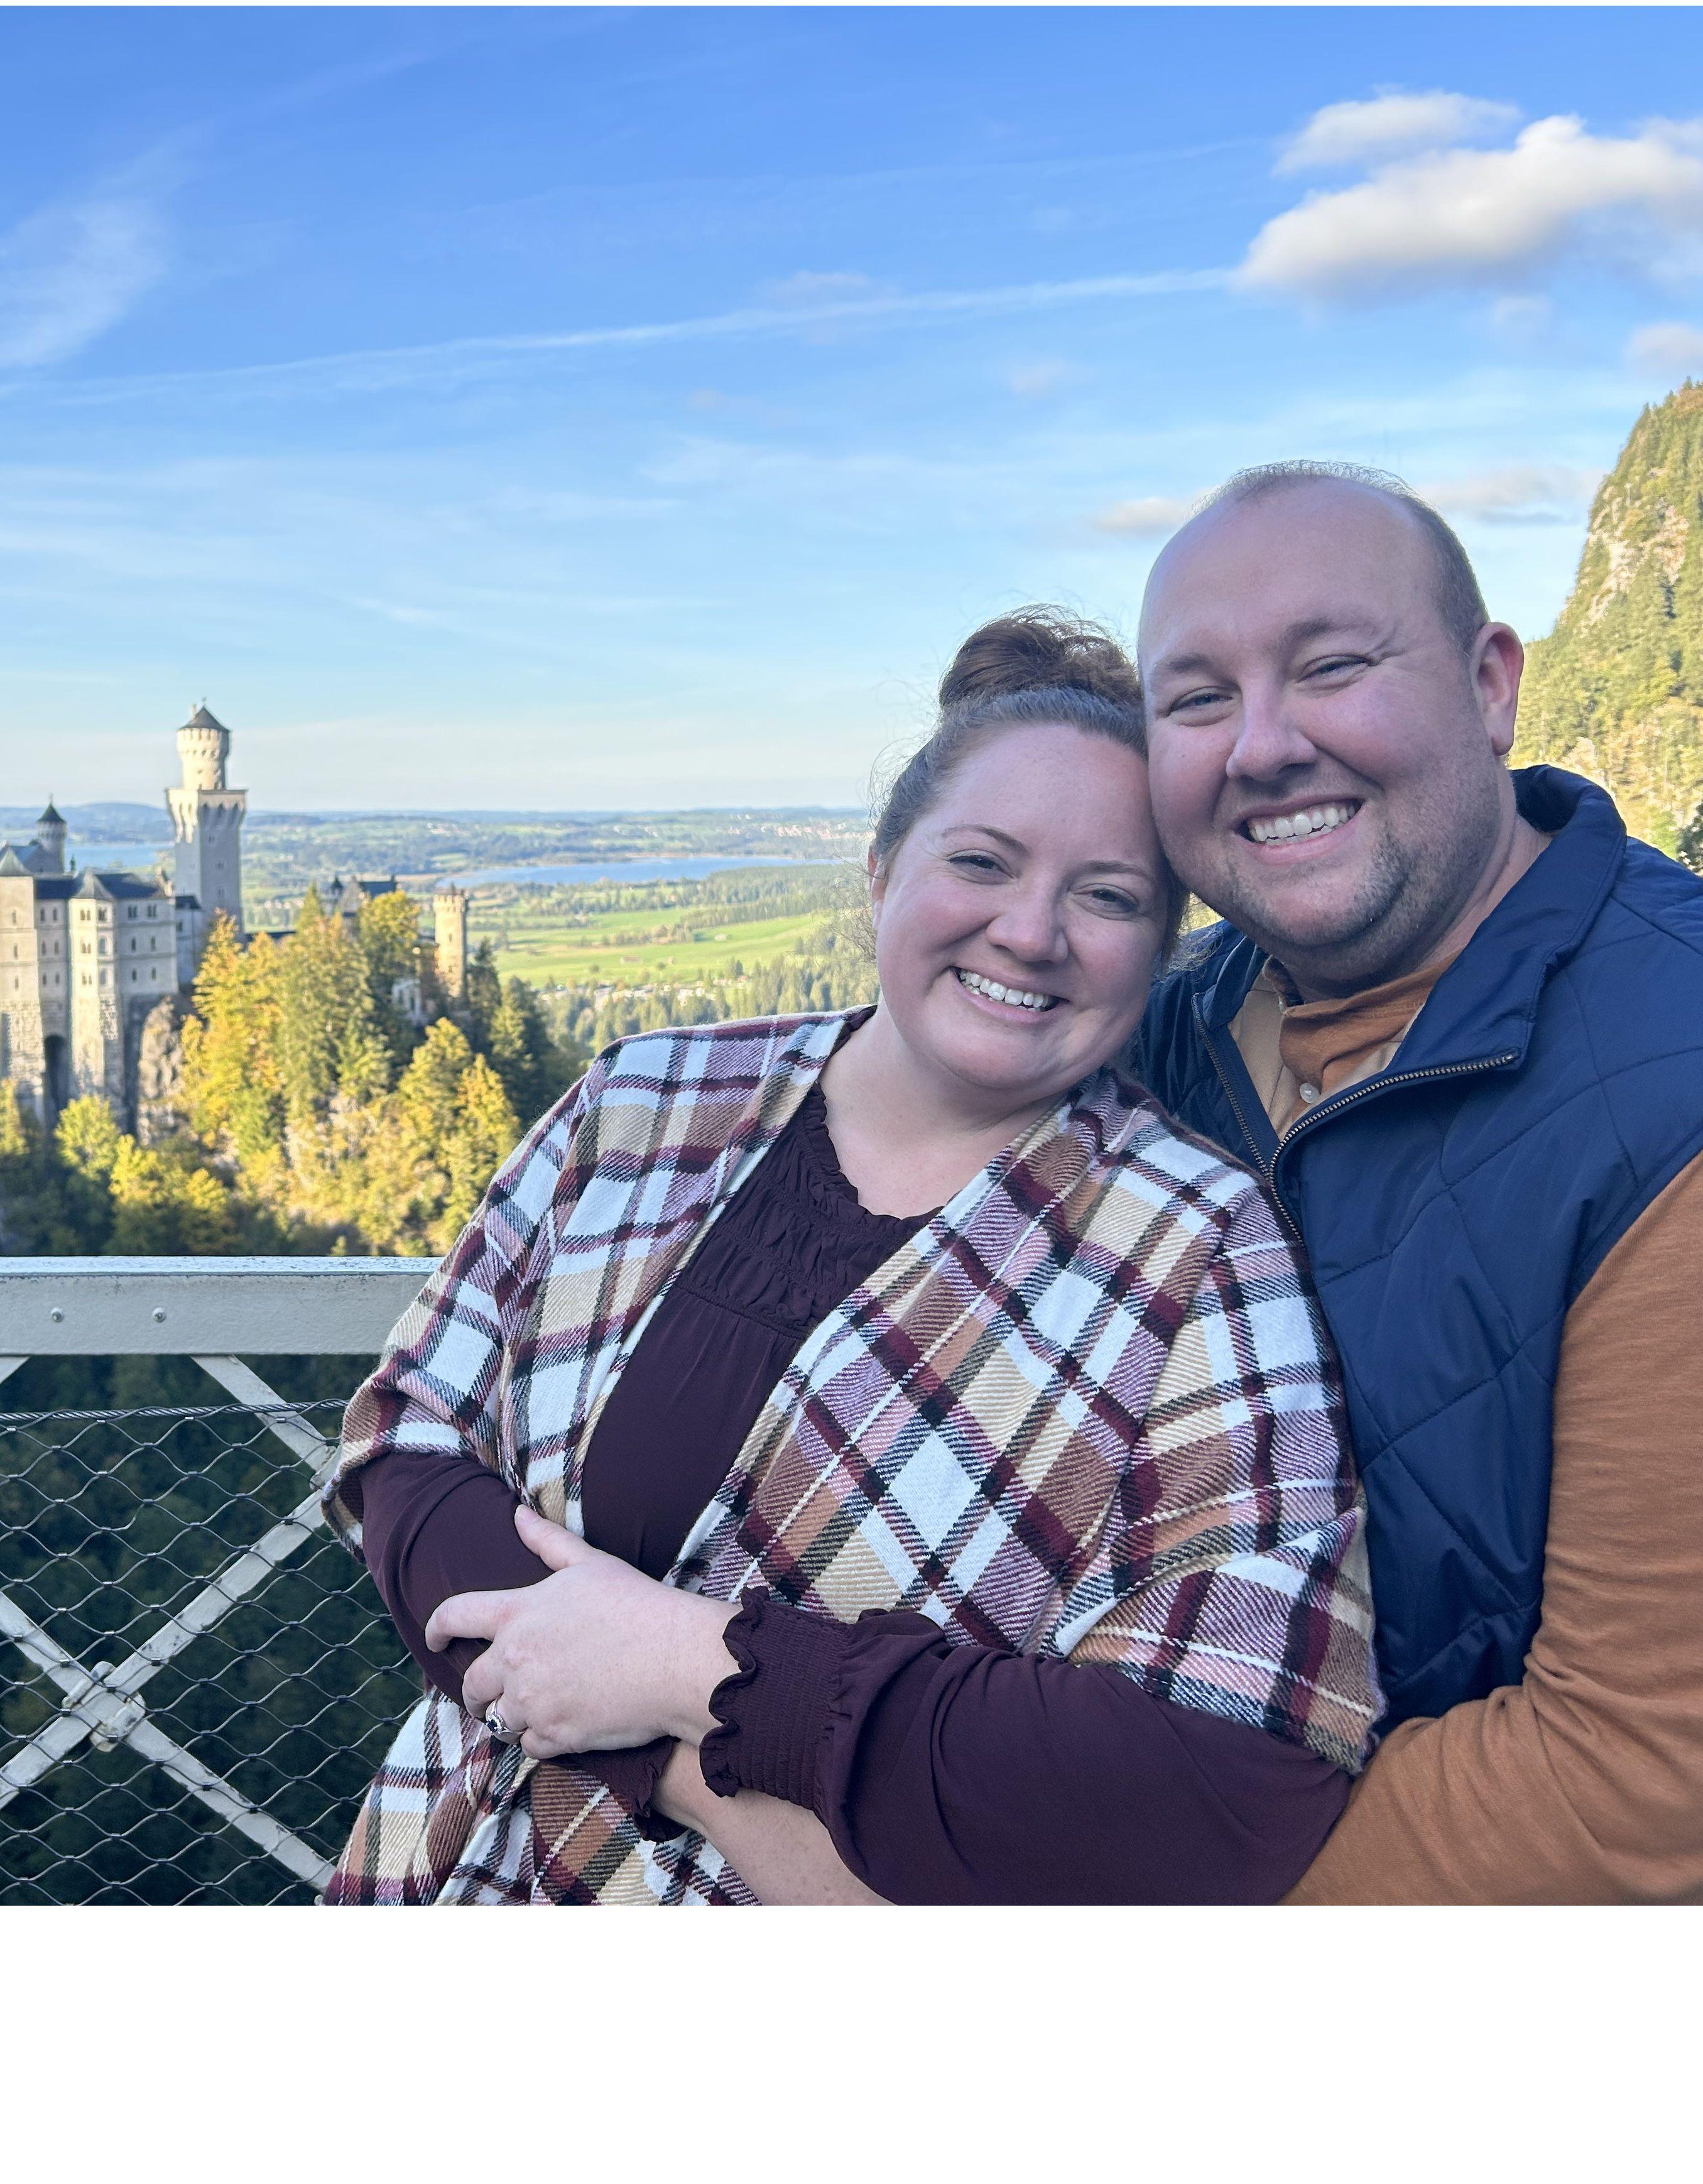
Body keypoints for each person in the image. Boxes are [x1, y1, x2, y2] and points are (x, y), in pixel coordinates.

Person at [318, 612, 1379, 1904]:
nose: (1032, 932)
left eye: (1109, 897)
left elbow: (1232, 1773)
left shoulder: (1199, 1252)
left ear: (1161, 952)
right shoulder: (643, 1101)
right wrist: (608, 1697)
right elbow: (404, 1438)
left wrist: (671, 1688)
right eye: (982, 862)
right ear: (883, 872)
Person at [1132, 462, 1703, 1903]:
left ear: (1492, 684)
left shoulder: (1672, 1086)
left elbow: (1640, 1782)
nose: (1262, 746)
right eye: (1196, 701)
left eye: (1331, 666)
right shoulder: (1172, 1035)